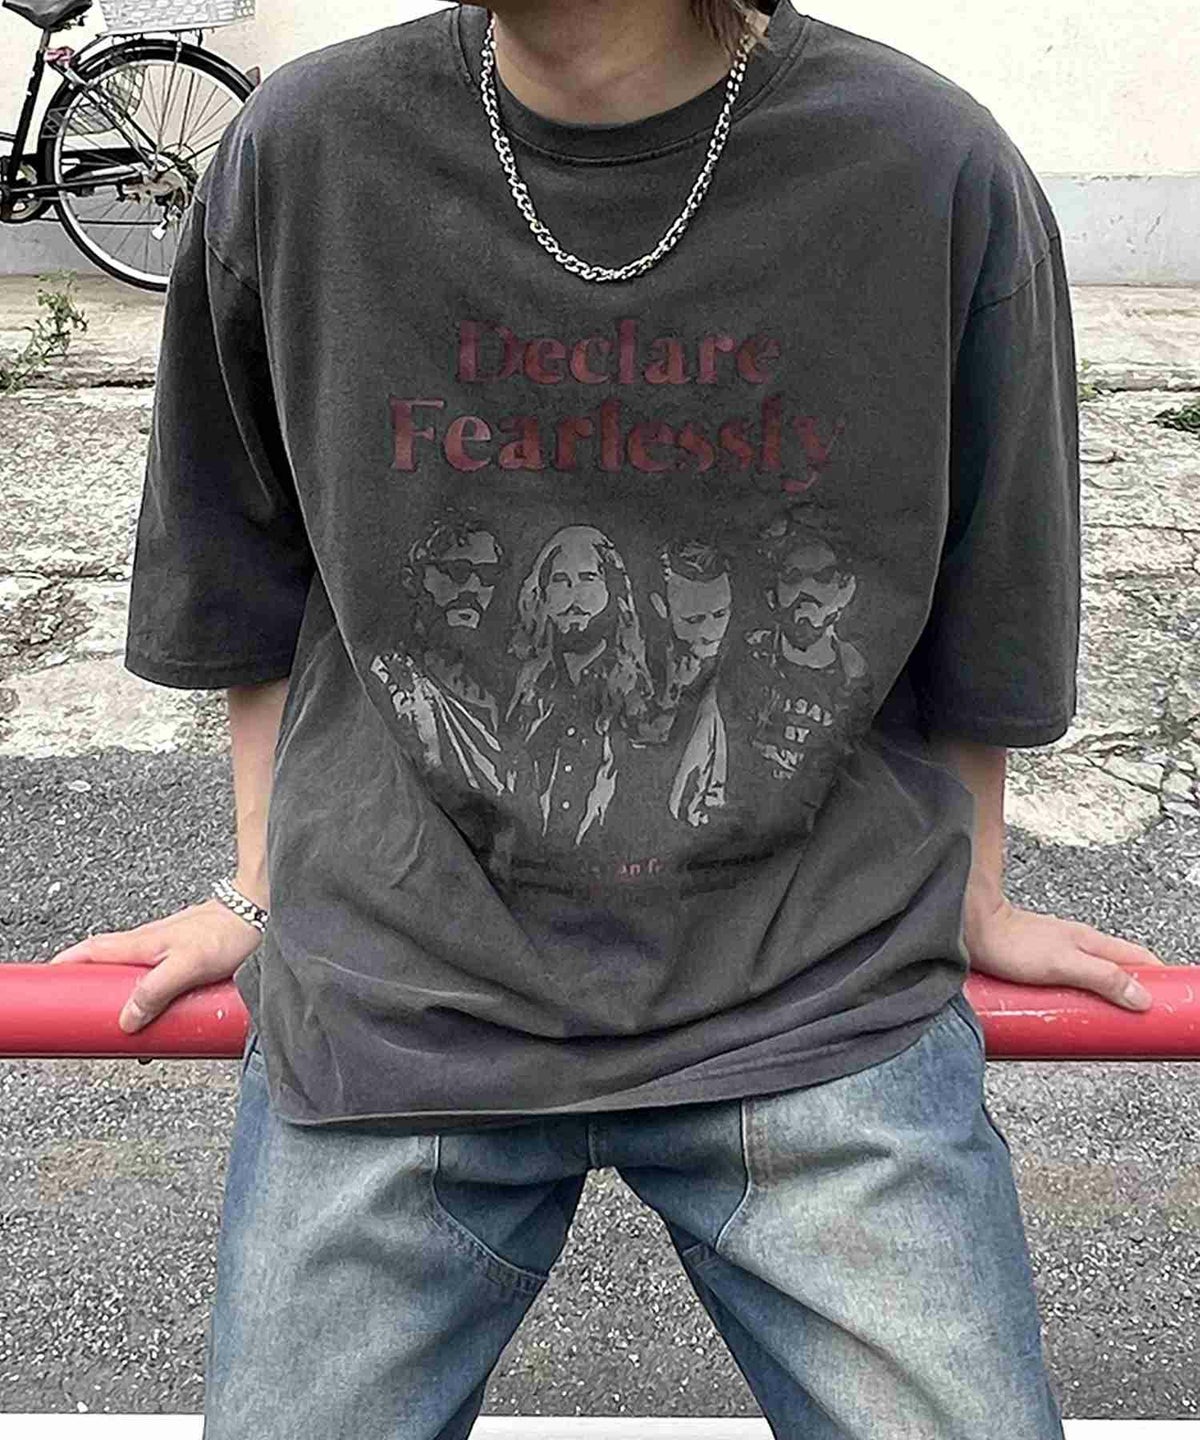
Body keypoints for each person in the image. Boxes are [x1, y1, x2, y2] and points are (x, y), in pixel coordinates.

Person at [45, 1, 1168, 1435]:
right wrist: (257, 883)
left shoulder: (924, 164)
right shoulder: (306, 150)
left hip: (810, 994)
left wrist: (978, 885)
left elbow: (993, 577)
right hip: (403, 1001)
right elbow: (237, 560)